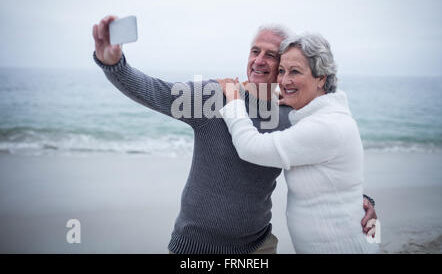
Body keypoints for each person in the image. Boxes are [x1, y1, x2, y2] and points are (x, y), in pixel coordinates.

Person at [91, 15, 377, 253]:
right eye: (255, 51)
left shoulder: (291, 114)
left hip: (259, 246)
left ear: (283, 66)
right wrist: (114, 66)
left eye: (271, 55)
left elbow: (324, 164)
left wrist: (359, 200)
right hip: (196, 247)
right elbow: (155, 92)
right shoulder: (214, 96)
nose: (259, 61)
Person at [218, 33, 380, 253]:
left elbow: (250, 147)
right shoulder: (323, 113)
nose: (284, 81)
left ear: (321, 77)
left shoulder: (325, 125)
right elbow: (341, 182)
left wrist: (234, 100)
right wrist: (363, 202)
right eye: (282, 71)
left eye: (295, 72)